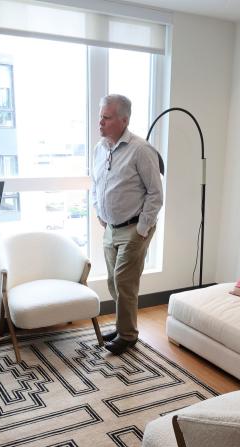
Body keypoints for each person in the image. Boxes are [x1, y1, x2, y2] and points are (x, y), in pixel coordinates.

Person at [91, 94, 163, 355]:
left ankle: (128, 336)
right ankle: (124, 327)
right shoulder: (100, 148)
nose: (100, 122)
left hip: (134, 227)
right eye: (100, 116)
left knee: (124, 280)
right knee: (113, 281)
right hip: (111, 228)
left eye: (106, 118)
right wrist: (100, 211)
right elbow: (95, 184)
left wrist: (143, 228)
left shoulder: (141, 150)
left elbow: (156, 193)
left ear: (124, 120)